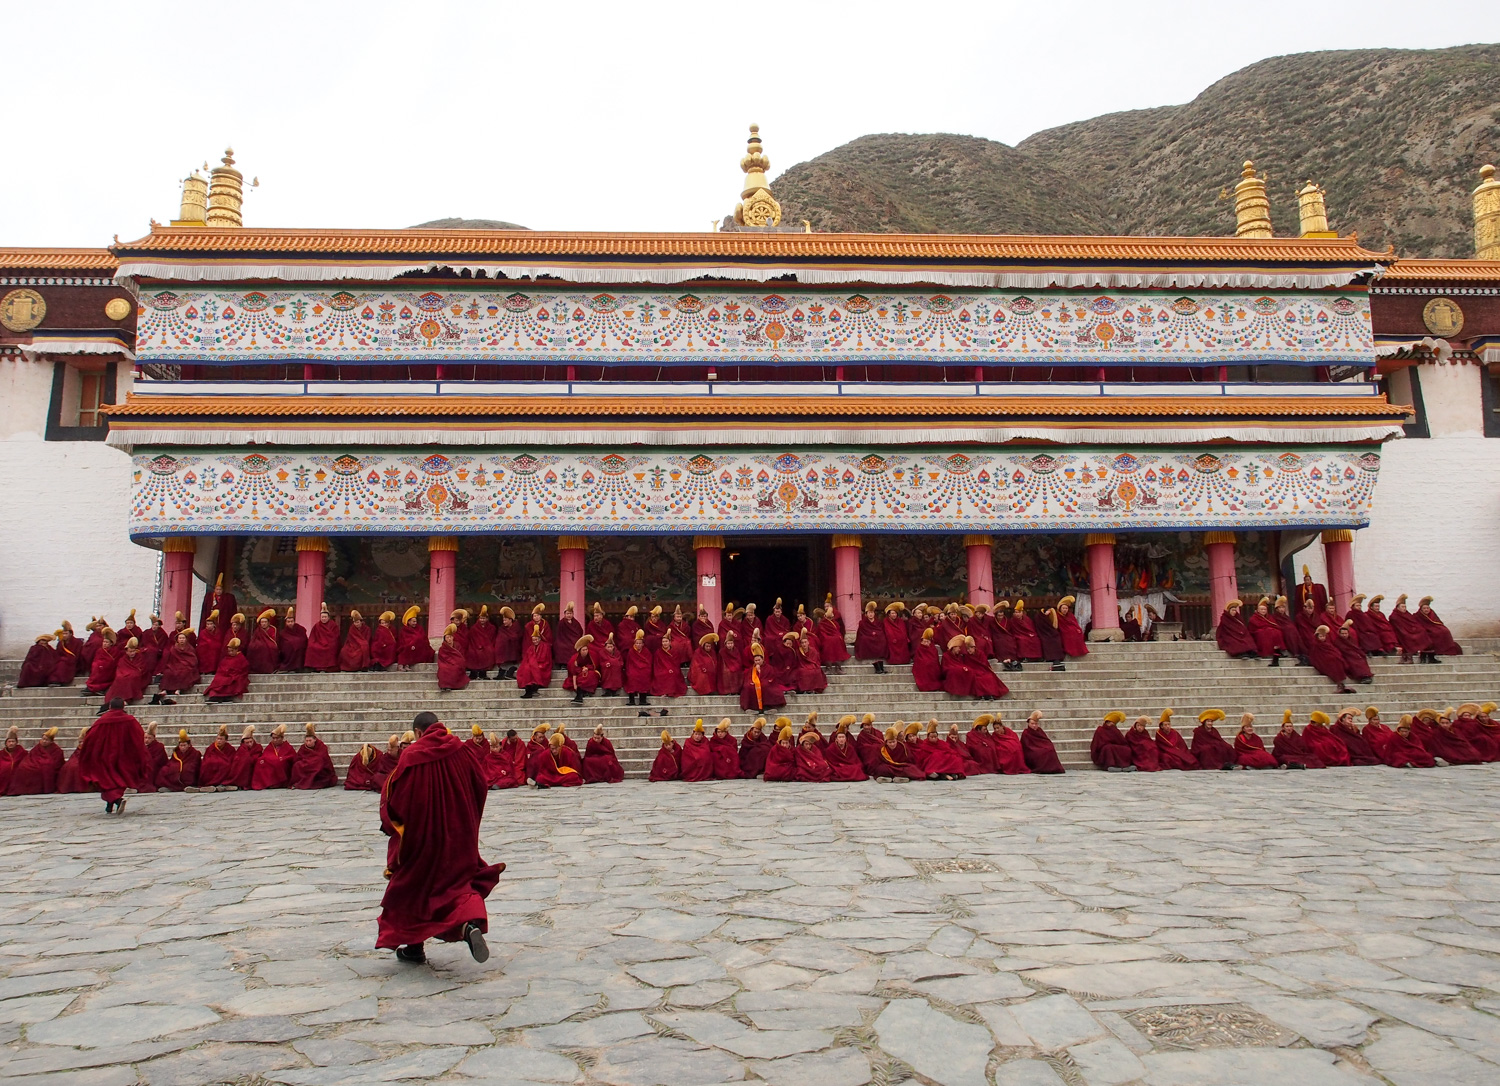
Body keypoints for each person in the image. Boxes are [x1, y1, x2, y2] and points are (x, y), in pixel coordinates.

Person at [375, 711, 500, 965]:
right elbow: (480, 784)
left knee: (412, 890)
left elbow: (397, 799)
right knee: (455, 886)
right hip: (458, 836)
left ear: (419, 733)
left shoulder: (412, 756)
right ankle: (468, 925)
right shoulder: (462, 750)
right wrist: (469, 819)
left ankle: (414, 947)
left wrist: (390, 824)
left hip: (423, 840)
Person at [77, 697, 147, 815]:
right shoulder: (130, 720)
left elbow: (90, 738)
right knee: (117, 779)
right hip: (123, 756)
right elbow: (138, 736)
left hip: (104, 757)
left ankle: (116, 801)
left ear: (110, 707)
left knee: (106, 780)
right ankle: (111, 804)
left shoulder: (102, 721)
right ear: (123, 707)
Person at [8, 727, 63, 795]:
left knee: (45, 768)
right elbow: (30, 757)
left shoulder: (57, 750)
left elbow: (56, 764)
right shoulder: (38, 747)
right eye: (43, 739)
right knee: (22, 767)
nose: (44, 741)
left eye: (47, 740)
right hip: (34, 764)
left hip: (44, 767)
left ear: (51, 741)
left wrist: (43, 763)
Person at [1307, 625, 1354, 694]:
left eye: (1323, 636)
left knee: (1337, 660)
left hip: (1333, 659)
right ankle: (1340, 684)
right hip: (1323, 660)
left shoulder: (1327, 643)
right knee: (1331, 662)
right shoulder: (1315, 644)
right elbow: (1314, 655)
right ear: (1317, 637)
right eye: (1320, 636)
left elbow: (1334, 651)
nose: (1322, 638)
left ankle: (1341, 684)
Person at [291, 723, 338, 789]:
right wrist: (306, 762)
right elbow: (298, 758)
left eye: (310, 740)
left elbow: (322, 758)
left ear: (315, 739)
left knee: (318, 763)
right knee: (296, 765)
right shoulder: (303, 747)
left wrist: (310, 762)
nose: (308, 743)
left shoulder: (321, 746)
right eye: (306, 741)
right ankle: (300, 782)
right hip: (306, 764)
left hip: (319, 768)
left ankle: (310, 782)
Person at [1415, 596, 1463, 660]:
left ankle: (1446, 649)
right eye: (1424, 608)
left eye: (1427, 608)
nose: (1426, 610)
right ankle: (1439, 650)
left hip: (1433, 628)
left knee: (1445, 631)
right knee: (1436, 633)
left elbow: (1438, 622)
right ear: (1421, 609)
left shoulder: (1432, 613)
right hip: (1426, 631)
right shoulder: (1417, 615)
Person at [741, 647, 786, 714]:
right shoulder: (752, 669)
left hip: (766, 682)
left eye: (759, 660)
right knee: (748, 686)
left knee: (765, 686)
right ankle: (752, 708)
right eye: (756, 661)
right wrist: (751, 682)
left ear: (762, 659)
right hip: (755, 683)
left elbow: (772, 678)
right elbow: (748, 678)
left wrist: (759, 672)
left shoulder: (769, 668)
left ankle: (768, 707)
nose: (757, 662)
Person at [252, 724, 297, 789]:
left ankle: (279, 783)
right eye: (273, 738)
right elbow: (265, 756)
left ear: (282, 738)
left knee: (280, 763)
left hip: (283, 766)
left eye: (277, 738)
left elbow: (292, 757)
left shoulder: (288, 747)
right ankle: (267, 783)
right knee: (260, 763)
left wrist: (282, 759)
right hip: (271, 765)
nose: (275, 740)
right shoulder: (270, 746)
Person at [1387, 595, 1430, 664]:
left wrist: (1415, 629)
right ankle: (1408, 656)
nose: (1404, 609)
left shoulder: (1407, 614)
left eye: (1405, 607)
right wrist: (1408, 632)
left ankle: (1411, 655)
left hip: (1410, 631)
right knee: (1407, 637)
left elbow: (1414, 623)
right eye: (1402, 607)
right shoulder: (1394, 616)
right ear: (1397, 608)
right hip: (1400, 633)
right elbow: (1399, 628)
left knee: (1422, 631)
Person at [516, 627, 554, 699]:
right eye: (533, 640)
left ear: (539, 639)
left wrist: (536, 665)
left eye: (536, 639)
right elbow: (527, 659)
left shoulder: (545, 646)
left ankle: (530, 690)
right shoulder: (531, 647)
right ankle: (529, 689)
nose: (535, 641)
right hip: (533, 665)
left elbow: (546, 659)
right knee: (526, 668)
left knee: (534, 669)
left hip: (542, 665)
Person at [651, 630, 688, 699]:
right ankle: (664, 692)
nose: (664, 643)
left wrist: (671, 669)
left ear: (670, 642)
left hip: (673, 669)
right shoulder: (658, 652)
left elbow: (676, 664)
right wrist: (665, 669)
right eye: (663, 642)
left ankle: (671, 691)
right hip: (661, 669)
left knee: (672, 674)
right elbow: (657, 664)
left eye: (666, 641)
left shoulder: (675, 652)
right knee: (663, 674)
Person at [199, 725, 237, 789]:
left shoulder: (230, 749)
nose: (219, 741)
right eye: (218, 739)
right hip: (213, 766)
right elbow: (206, 759)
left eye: (221, 739)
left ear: (225, 740)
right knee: (207, 764)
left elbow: (232, 759)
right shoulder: (211, 748)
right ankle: (209, 783)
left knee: (226, 765)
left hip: (224, 767)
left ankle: (223, 783)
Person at [855, 601, 889, 669]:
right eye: (869, 613)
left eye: (872, 613)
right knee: (864, 639)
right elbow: (861, 633)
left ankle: (881, 655)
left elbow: (881, 630)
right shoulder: (862, 622)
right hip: (867, 636)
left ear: (874, 614)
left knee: (882, 638)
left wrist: (875, 633)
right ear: (866, 614)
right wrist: (871, 634)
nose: (871, 614)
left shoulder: (878, 622)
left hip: (877, 635)